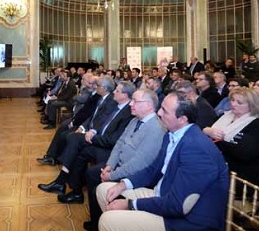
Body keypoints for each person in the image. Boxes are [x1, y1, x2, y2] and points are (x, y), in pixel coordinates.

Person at [97, 92, 229, 231]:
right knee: (103, 190)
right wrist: (123, 185)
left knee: (108, 221)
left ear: (182, 119)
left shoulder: (196, 149)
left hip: (185, 221)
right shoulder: (171, 135)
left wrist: (130, 204)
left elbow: (178, 205)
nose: (158, 112)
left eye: (164, 111)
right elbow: (153, 170)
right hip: (163, 196)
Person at [81, 89, 166, 231]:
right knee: (92, 173)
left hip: (135, 174)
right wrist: (109, 165)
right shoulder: (135, 120)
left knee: (98, 185)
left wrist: (111, 175)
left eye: (135, 101)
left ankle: (106, 222)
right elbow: (119, 143)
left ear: (148, 105)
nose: (131, 104)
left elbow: (139, 164)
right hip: (119, 165)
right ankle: (96, 221)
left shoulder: (156, 129)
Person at [37, 80, 134, 196]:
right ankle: (71, 188)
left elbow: (113, 140)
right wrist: (92, 131)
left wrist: (92, 137)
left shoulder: (127, 112)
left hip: (107, 147)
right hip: (97, 137)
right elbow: (100, 121)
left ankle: (63, 183)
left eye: (117, 91)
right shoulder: (117, 106)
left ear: (124, 95)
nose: (114, 92)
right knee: (76, 147)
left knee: (74, 139)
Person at [204, 88, 259, 187]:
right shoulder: (225, 117)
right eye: (232, 100)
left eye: (239, 102)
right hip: (222, 164)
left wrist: (219, 141)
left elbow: (244, 154)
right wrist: (206, 131)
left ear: (252, 106)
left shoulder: (258, 127)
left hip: (244, 174)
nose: (233, 104)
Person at [37, 75, 102, 165]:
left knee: (65, 134)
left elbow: (87, 111)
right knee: (61, 128)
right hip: (79, 118)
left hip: (84, 123)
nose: (88, 85)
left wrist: (75, 122)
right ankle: (51, 156)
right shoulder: (91, 92)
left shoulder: (96, 96)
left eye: (91, 83)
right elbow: (82, 107)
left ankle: (57, 158)